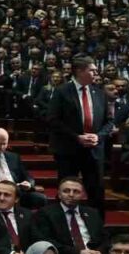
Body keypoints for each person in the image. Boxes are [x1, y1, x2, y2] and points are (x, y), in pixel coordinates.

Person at [45, 55, 111, 210]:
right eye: (92, 70)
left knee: (96, 192)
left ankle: (97, 223)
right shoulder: (62, 92)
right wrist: (77, 137)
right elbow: (53, 120)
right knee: (67, 191)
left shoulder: (99, 93)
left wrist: (98, 136)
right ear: (80, 71)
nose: (96, 73)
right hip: (68, 150)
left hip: (94, 150)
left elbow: (109, 122)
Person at [29, 176, 105, 254]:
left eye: (76, 191)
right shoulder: (46, 213)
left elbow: (105, 237)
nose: (71, 195)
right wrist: (79, 253)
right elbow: (46, 242)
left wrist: (100, 252)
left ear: (82, 195)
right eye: (66, 191)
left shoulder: (92, 213)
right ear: (59, 194)